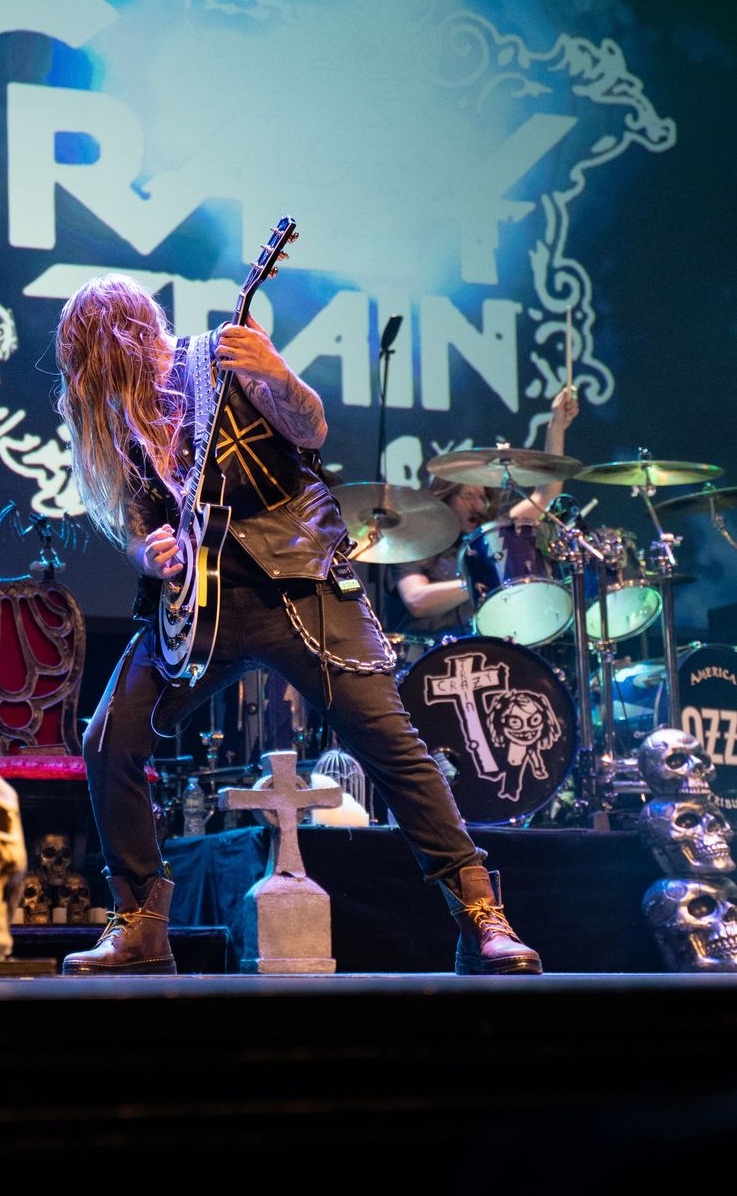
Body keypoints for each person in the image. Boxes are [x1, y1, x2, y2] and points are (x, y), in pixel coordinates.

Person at [54, 274, 544, 976]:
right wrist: (147, 552)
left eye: (105, 359)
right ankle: (139, 926)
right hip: (198, 609)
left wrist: (279, 375)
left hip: (300, 585)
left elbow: (310, 430)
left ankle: (480, 917)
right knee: (108, 739)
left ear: (128, 335)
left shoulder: (220, 358)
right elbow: (139, 523)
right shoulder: (123, 417)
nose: (104, 381)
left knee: (391, 746)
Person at [385, 389, 580, 641]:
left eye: (482, 496)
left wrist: (556, 426)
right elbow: (417, 600)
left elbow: (545, 496)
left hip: (484, 647)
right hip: (429, 653)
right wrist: (480, 579)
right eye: (468, 496)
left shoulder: (490, 534)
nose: (478, 505)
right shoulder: (413, 539)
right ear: (445, 499)